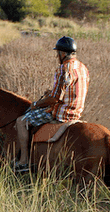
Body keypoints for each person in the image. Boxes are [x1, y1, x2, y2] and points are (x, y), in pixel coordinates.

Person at [13, 36, 89, 173]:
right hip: (76, 112)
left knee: (21, 121)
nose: (57, 56)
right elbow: (71, 89)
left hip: (62, 113)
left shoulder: (63, 69)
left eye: (58, 53)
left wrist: (36, 104)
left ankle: (23, 161)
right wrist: (52, 92)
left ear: (63, 53)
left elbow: (55, 99)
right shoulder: (83, 68)